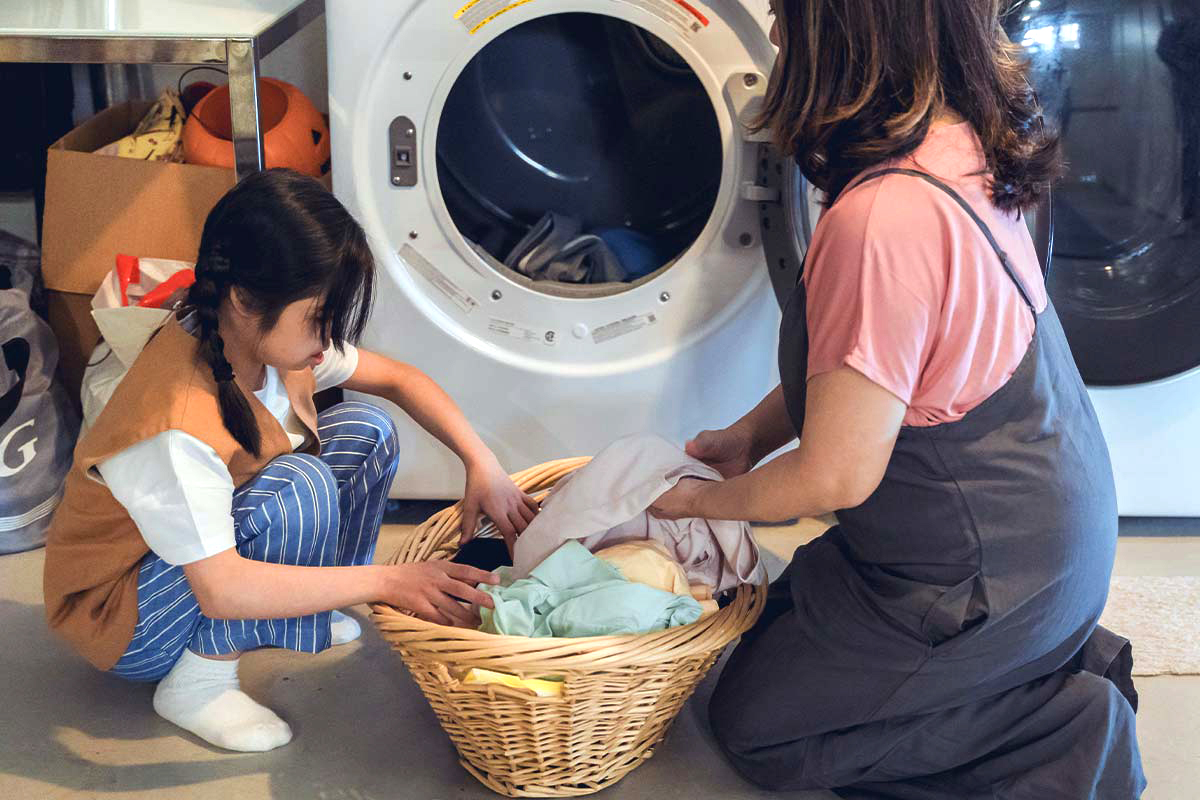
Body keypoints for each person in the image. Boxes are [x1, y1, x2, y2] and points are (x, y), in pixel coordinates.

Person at [651, 1, 1146, 796]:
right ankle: (1029, 663)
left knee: (757, 725)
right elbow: (878, 366)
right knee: (775, 622)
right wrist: (747, 437)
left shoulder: (881, 218)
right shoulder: (963, 145)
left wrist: (696, 507)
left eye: (785, 14)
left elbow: (833, 479)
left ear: (848, 29)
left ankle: (1063, 721)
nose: (777, 35)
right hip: (1048, 535)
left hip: (982, 579)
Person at [43, 169, 539, 754]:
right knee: (297, 483)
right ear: (245, 298)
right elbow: (222, 589)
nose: (329, 340)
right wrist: (389, 579)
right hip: (125, 620)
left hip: (187, 566)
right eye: (321, 316)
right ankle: (197, 682)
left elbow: (401, 381)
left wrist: (480, 463)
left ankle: (306, 609)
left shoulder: (256, 338)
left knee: (366, 428)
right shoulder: (174, 419)